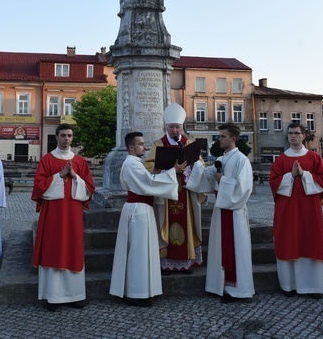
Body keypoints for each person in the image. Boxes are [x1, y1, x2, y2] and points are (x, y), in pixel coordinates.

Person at [187, 123, 255, 301]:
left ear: (233, 138)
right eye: (219, 136)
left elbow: (244, 189)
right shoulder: (223, 159)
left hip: (235, 211)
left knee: (236, 250)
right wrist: (193, 162)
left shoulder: (242, 160)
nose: (219, 139)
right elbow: (204, 176)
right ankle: (221, 286)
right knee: (220, 249)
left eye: (223, 136)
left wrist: (222, 180)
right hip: (221, 210)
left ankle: (239, 290)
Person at [109, 132, 178, 307]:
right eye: (141, 144)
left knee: (142, 251)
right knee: (138, 253)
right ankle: (135, 293)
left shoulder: (135, 164)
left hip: (141, 210)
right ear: (131, 147)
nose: (145, 147)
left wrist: (155, 173)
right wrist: (173, 172)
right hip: (138, 211)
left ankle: (141, 290)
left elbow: (147, 180)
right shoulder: (132, 164)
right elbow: (149, 185)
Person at [32, 124, 95, 311]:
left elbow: (90, 189)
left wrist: (75, 176)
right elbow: (38, 187)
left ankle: (75, 296)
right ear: (56, 137)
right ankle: (52, 297)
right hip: (53, 214)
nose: (67, 138)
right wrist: (60, 175)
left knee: (72, 249)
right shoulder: (47, 160)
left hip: (73, 214)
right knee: (54, 248)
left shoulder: (80, 161)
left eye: (69, 135)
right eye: (63, 135)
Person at [269, 122, 323, 298]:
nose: (293, 136)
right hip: (287, 210)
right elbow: (273, 182)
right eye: (290, 133)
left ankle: (314, 287)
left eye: (297, 133)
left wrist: (304, 175)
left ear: (303, 136)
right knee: (289, 241)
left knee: (311, 241)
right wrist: (290, 176)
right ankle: (289, 285)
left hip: (310, 210)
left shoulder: (314, 158)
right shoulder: (281, 159)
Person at [144, 103, 204, 273]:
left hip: (185, 192)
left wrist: (191, 168)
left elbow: (200, 165)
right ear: (166, 127)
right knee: (164, 223)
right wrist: (166, 169)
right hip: (165, 194)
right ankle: (165, 261)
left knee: (187, 224)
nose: (175, 131)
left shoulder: (188, 144)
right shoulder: (158, 144)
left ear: (182, 127)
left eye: (177, 127)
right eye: (171, 127)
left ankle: (186, 261)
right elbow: (148, 166)